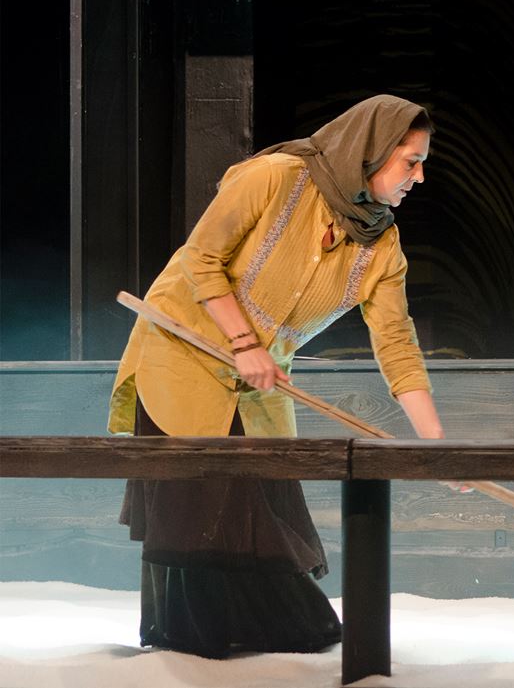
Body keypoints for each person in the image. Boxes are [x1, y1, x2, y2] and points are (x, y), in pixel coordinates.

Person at [107, 94, 444, 658]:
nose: (420, 176)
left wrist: (436, 443)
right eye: (411, 161)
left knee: (267, 504)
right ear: (371, 150)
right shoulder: (276, 177)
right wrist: (243, 343)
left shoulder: (382, 245)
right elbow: (200, 258)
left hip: (259, 379)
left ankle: (255, 638)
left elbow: (396, 344)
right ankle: (190, 648)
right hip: (182, 353)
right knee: (202, 504)